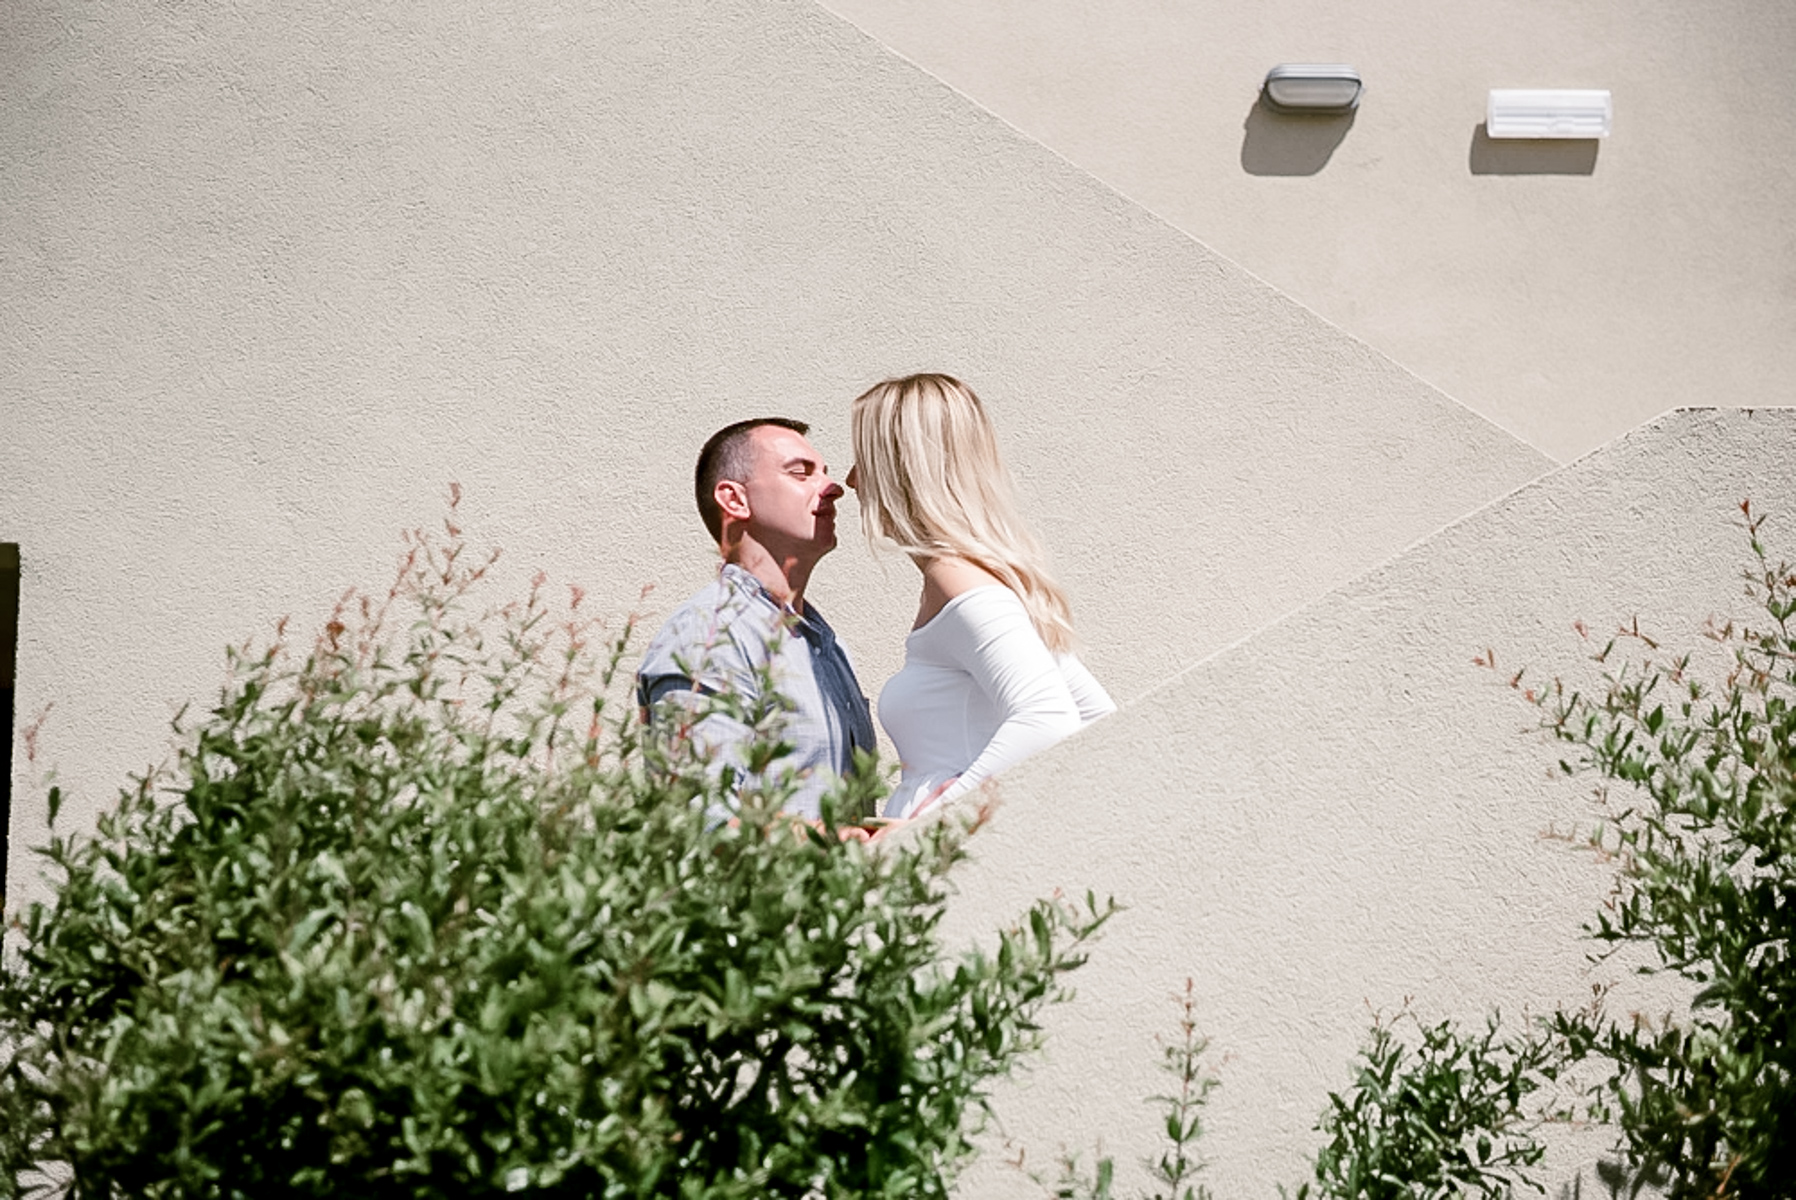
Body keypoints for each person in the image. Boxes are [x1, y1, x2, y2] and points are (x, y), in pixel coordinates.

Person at [846, 373, 1116, 819]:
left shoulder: (959, 580)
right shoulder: (979, 578)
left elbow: (1048, 718)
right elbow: (1099, 718)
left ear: (900, 469)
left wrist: (934, 820)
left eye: (864, 459)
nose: (853, 480)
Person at [636, 418, 878, 822]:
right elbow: (697, 819)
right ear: (735, 500)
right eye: (801, 472)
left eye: (826, 472)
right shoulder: (710, 636)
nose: (833, 487)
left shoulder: (823, 644)